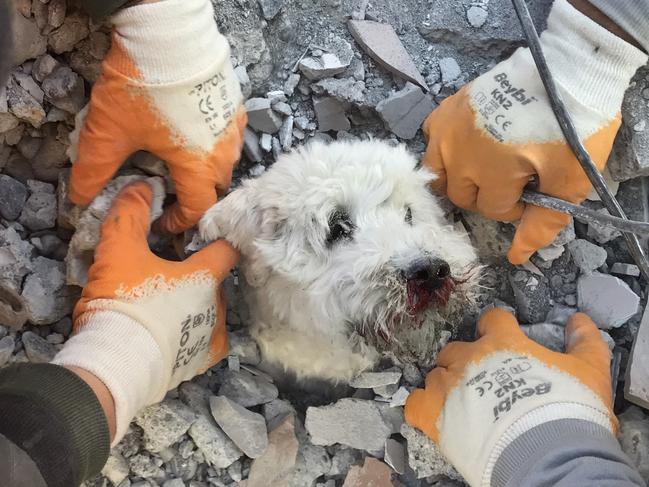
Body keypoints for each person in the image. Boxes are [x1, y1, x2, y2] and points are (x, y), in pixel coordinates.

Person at [0, 0, 647, 486]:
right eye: (338, 229)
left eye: (407, 211)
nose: (418, 255)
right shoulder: (252, 228)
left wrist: (108, 372)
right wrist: (556, 454)